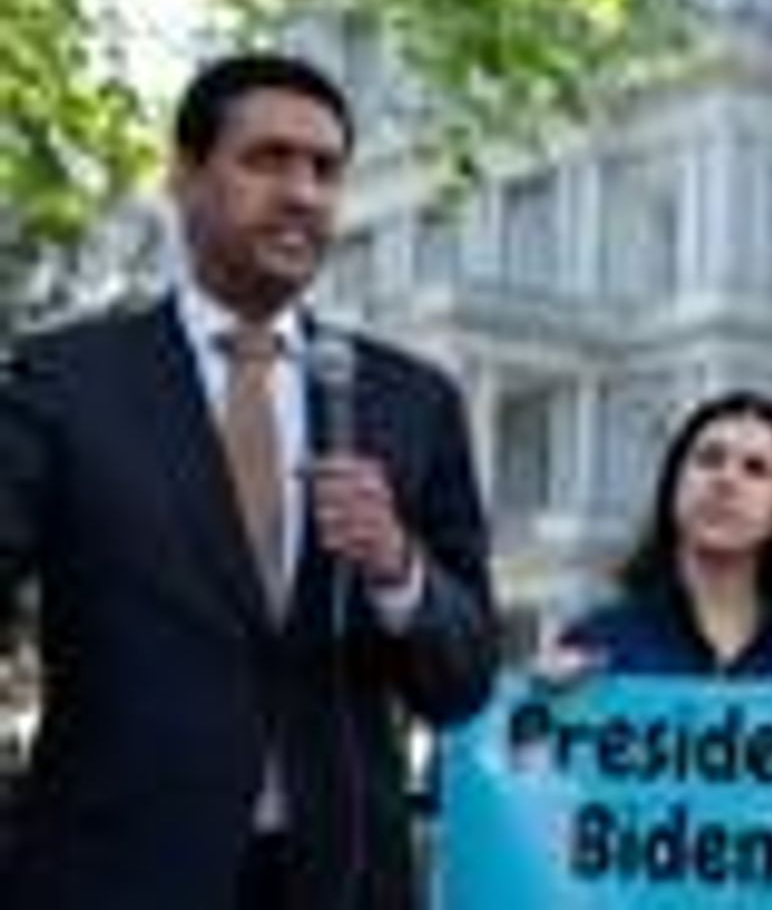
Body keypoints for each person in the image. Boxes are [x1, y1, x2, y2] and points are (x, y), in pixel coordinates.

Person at [0, 53, 497, 910]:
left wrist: (397, 570)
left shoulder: (411, 401)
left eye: (325, 170)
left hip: (341, 879)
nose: (303, 192)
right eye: (267, 160)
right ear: (187, 179)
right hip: (111, 874)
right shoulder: (65, 382)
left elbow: (465, 678)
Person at [549, 389, 772, 902]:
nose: (726, 479)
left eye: (755, 469)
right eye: (708, 459)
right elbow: (539, 818)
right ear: (673, 488)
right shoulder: (600, 644)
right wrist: (535, 717)